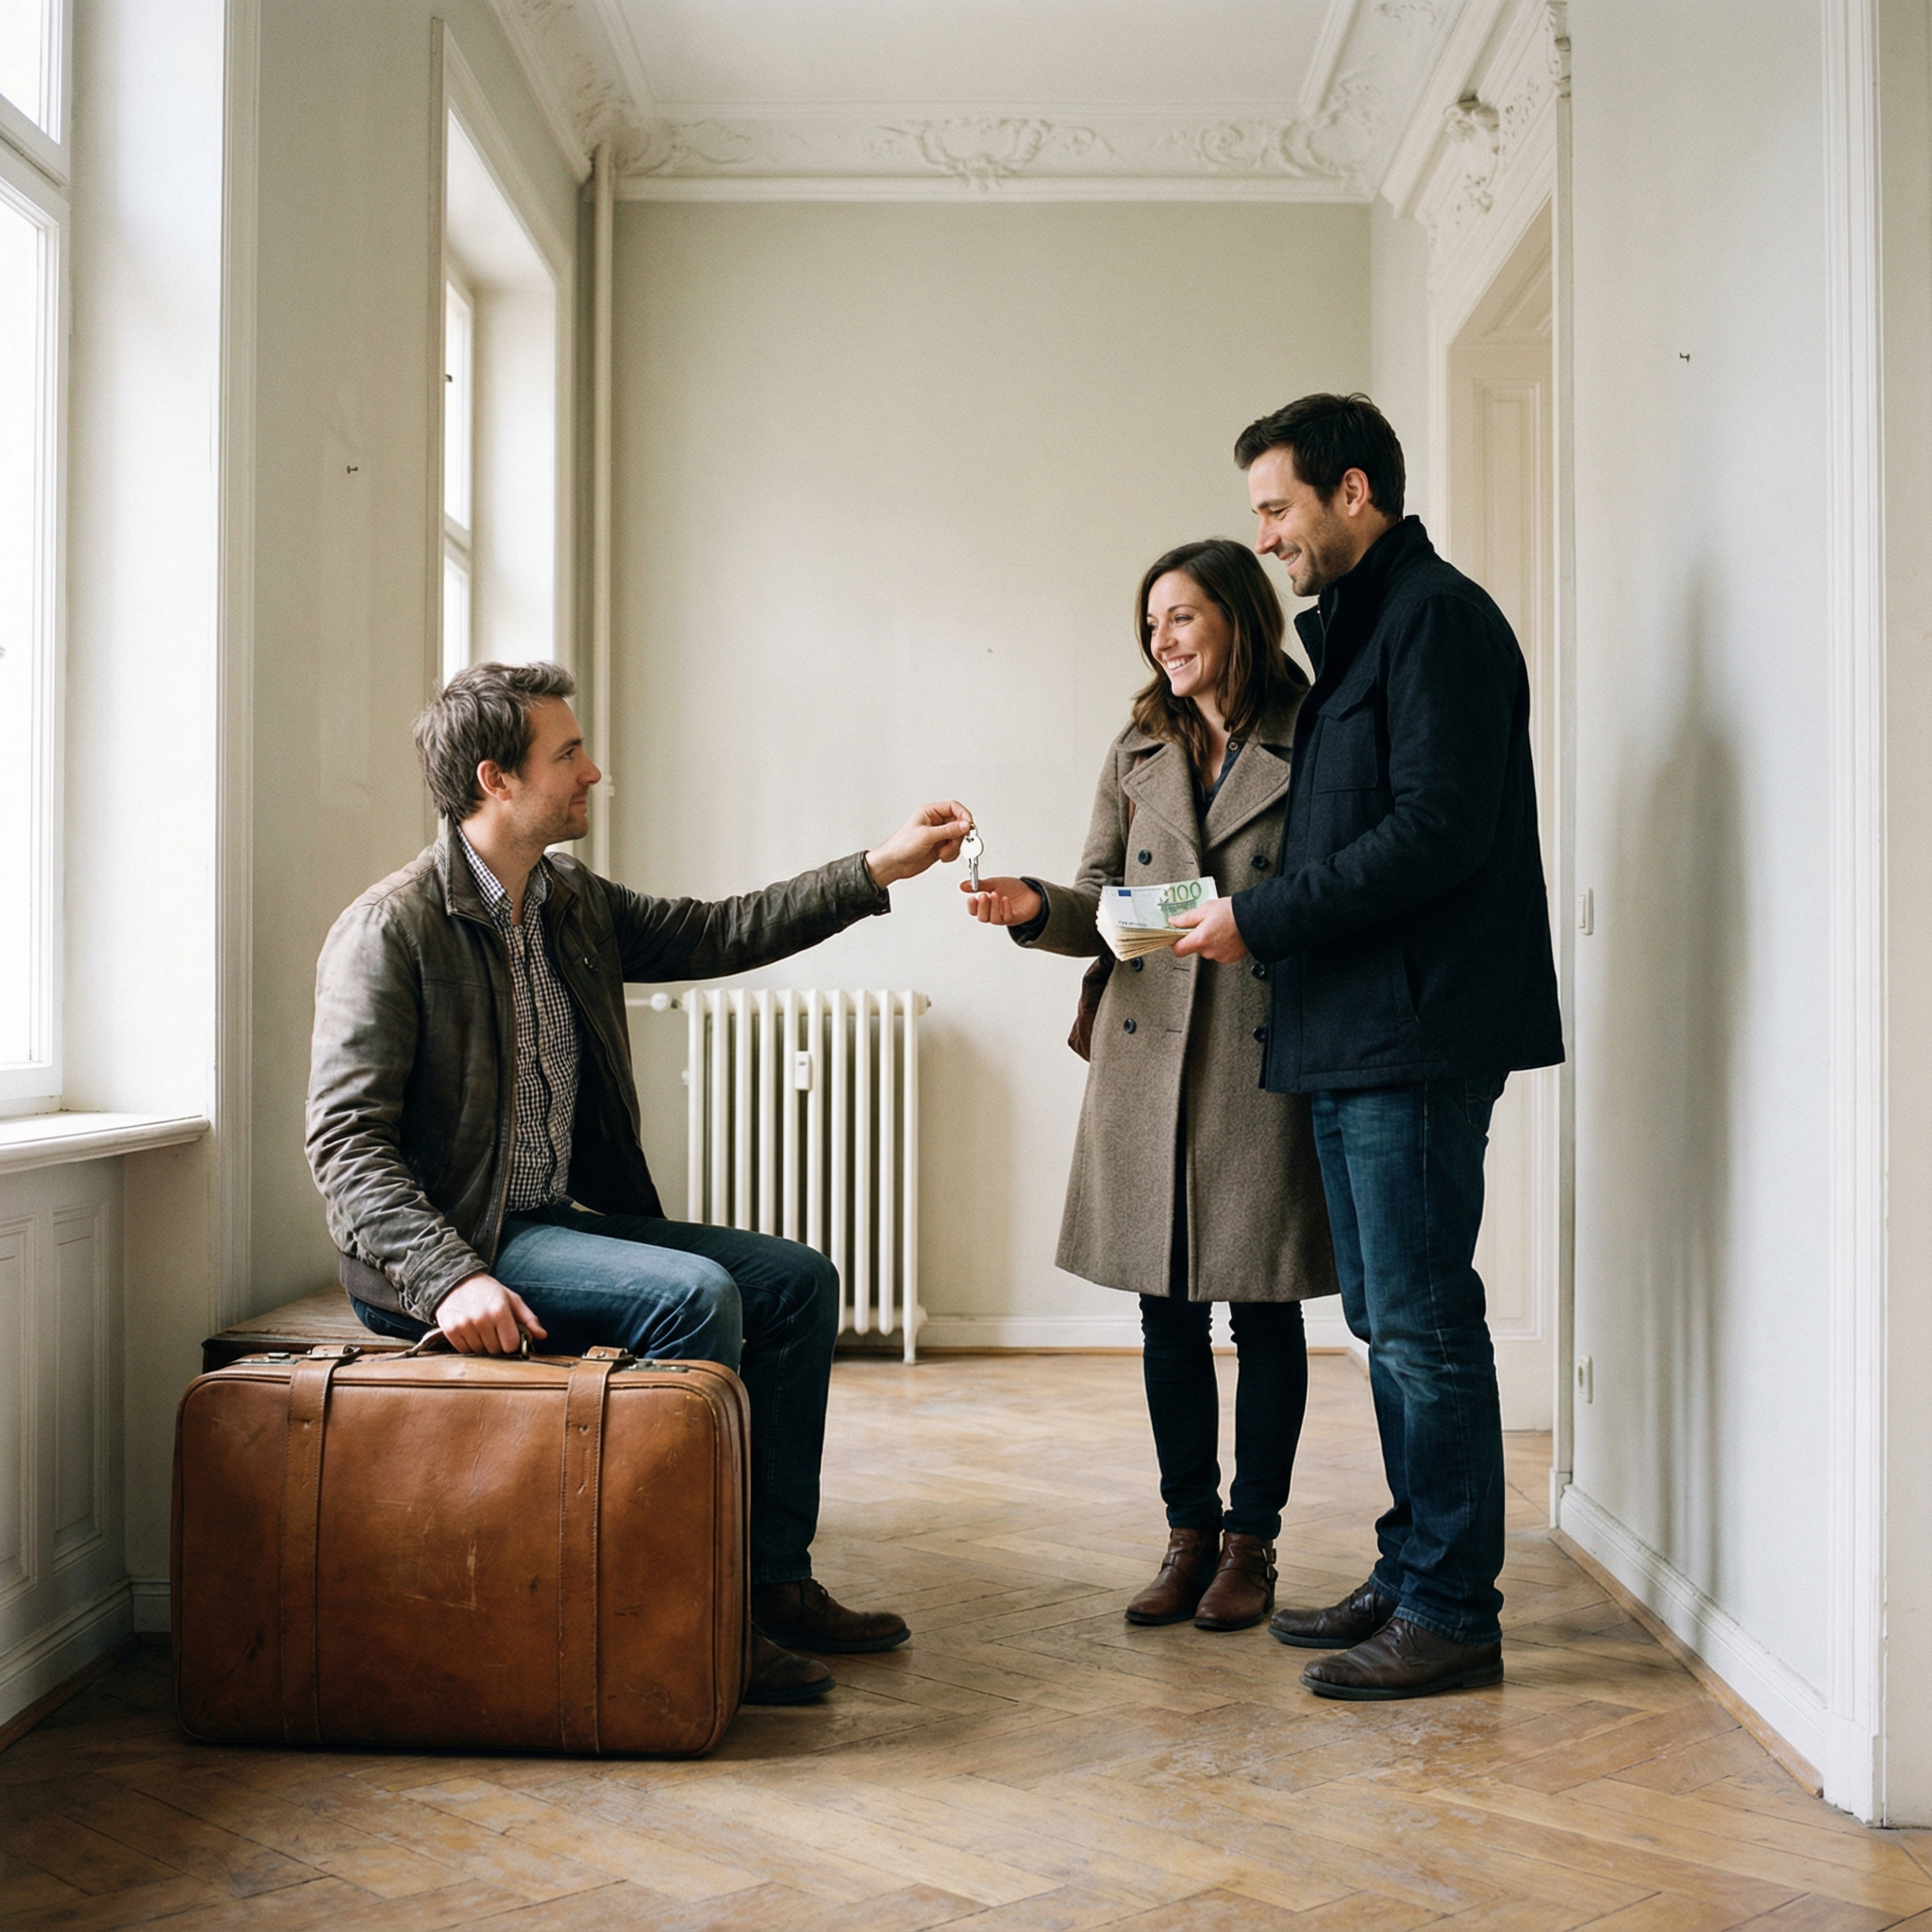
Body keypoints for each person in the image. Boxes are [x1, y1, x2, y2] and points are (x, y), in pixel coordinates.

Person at [306, 660, 972, 1707]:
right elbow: (345, 1144)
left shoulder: (566, 901)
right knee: (692, 1295)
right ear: (495, 778)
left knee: (795, 1278)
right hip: (457, 1245)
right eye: (567, 753)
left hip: (546, 1221)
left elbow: (719, 929)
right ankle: (685, 1615)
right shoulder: (393, 928)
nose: (592, 770)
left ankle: (770, 1584)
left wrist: (878, 868)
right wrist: (448, 1278)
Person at [1172, 394, 1564, 1700]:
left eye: (1279, 509)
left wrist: (1256, 917)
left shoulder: (1436, 618)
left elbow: (1438, 832)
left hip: (1413, 1030)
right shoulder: (1363, 634)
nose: (1269, 539)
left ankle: (1453, 1609)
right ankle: (1412, 1569)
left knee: (1423, 1324)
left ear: (1354, 492)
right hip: (1354, 1032)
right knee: (1394, 1324)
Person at [963, 540, 1338, 1633]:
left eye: (1180, 616)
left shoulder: (1308, 731)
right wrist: (1032, 905)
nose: (1161, 638)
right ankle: (1186, 1534)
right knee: (1164, 1312)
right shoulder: (1136, 745)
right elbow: (1096, 897)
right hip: (1147, 1051)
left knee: (1262, 1307)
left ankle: (1249, 1543)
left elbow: (1326, 890)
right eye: (1151, 622)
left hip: (1264, 1050)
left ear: (1234, 615)